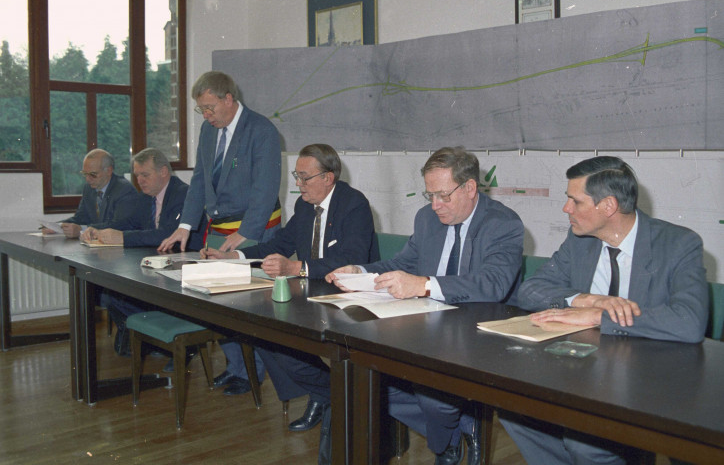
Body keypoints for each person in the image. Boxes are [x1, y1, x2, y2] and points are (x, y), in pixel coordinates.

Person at [499, 156, 709, 465]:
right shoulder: (580, 241)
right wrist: (586, 300)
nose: (566, 209)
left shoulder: (678, 244)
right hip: (585, 372)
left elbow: (689, 323)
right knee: (516, 414)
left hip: (652, 378)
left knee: (584, 443)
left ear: (608, 206)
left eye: (575, 201)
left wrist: (600, 317)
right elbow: (530, 290)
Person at [326, 146, 524, 465]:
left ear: (470, 187)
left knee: (433, 393)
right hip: (428, 324)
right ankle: (464, 428)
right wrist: (361, 271)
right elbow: (404, 262)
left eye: (443, 195)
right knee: (365, 379)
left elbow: (494, 285)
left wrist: (424, 284)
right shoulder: (427, 219)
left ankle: (444, 445)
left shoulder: (503, 223)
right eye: (429, 195)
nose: (435, 205)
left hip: (482, 331)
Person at [202, 144, 378, 423]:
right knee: (264, 332)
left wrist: (296, 267)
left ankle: (326, 395)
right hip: (313, 292)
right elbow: (280, 244)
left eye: (304, 177)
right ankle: (325, 393)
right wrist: (233, 256)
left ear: (328, 178)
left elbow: (351, 259)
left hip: (349, 295)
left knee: (282, 336)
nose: (298, 184)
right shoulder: (304, 206)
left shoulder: (353, 204)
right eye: (296, 176)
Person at [82, 148, 203, 360]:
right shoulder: (146, 197)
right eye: (137, 176)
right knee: (110, 294)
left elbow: (166, 235)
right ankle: (151, 339)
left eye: (145, 175)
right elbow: (127, 223)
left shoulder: (183, 194)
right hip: (157, 265)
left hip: (184, 266)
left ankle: (178, 345)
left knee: (125, 294)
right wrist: (97, 230)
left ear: (164, 172)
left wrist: (122, 237)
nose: (140, 181)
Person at [158, 71, 282, 253]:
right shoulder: (208, 130)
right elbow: (200, 180)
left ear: (228, 99)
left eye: (210, 107)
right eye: (201, 109)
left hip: (254, 231)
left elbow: (265, 189)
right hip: (218, 230)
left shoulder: (261, 130)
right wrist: (184, 226)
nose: (206, 115)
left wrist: (245, 232)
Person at [47, 148, 138, 238]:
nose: (87, 179)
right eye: (85, 174)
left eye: (93, 174)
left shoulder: (124, 189)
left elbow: (118, 225)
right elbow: (81, 217)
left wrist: (81, 229)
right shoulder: (89, 188)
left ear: (108, 171)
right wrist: (57, 226)